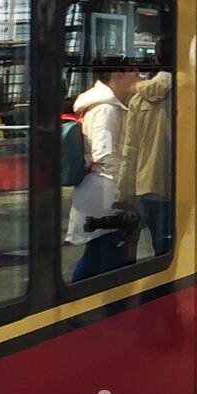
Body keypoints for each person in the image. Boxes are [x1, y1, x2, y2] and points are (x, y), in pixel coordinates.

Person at [68, 57, 140, 281]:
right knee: (111, 259)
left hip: (98, 192)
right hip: (105, 194)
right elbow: (104, 154)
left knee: (95, 255)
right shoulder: (106, 110)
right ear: (117, 75)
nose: (139, 78)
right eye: (134, 72)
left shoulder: (105, 105)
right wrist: (126, 183)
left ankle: (76, 307)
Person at [115, 42, 174, 257]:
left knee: (162, 250)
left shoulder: (138, 98)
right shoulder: (192, 93)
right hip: (184, 184)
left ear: (156, 60)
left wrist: (123, 192)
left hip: (150, 184)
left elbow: (130, 149)